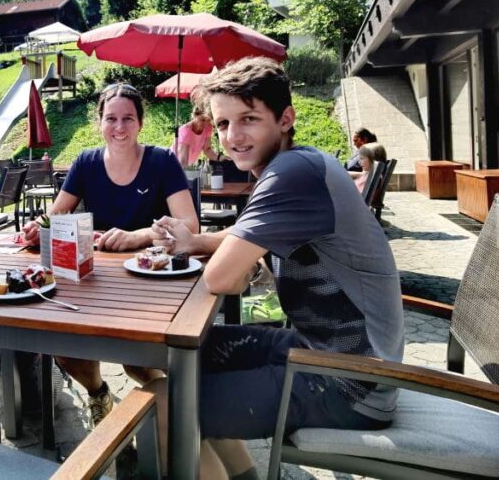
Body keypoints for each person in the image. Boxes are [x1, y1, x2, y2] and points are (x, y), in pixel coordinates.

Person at [148, 58, 403, 478]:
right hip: (322, 351)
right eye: (223, 123)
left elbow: (221, 278)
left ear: (285, 119)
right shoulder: (300, 163)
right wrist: (196, 241)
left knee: (163, 407)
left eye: (248, 119)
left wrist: (221, 255)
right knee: (183, 355)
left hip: (351, 382)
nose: (233, 136)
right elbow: (246, 240)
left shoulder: (291, 173)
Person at [20, 83, 199, 426]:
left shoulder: (162, 161)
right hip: (95, 282)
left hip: (152, 283)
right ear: (99, 122)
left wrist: (139, 236)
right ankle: (99, 392)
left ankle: (175, 405)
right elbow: (56, 216)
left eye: (128, 118)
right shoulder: (86, 162)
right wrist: (36, 227)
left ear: (140, 123)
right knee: (65, 348)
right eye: (111, 118)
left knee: (137, 361)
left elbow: (190, 225)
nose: (119, 127)